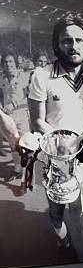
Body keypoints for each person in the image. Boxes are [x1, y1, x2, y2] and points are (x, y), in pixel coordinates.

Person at [28, 16, 83, 248]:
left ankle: (81, 251)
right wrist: (63, 143)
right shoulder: (41, 76)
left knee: (80, 209)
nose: (73, 45)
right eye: (67, 40)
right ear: (57, 45)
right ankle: (63, 238)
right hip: (55, 156)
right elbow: (37, 120)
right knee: (57, 212)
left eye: (79, 40)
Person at [0, 50, 30, 181]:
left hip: (22, 113)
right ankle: (17, 168)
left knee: (24, 142)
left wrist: (12, 104)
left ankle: (27, 169)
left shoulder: (23, 76)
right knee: (13, 142)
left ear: (15, 62)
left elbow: (25, 94)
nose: (8, 64)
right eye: (5, 62)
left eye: (10, 61)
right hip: (8, 115)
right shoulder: (1, 78)